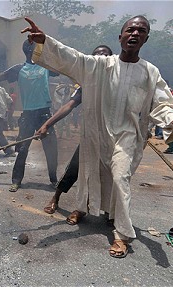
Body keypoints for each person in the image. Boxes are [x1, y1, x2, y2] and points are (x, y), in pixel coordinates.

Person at [23, 16, 173, 258]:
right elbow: (74, 58)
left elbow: (161, 103)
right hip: (98, 133)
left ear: (146, 38)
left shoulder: (150, 72)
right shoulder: (101, 65)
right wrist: (46, 41)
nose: (135, 33)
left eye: (141, 30)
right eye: (130, 29)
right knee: (86, 173)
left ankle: (122, 235)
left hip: (127, 136)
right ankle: (83, 209)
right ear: (121, 36)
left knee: (120, 179)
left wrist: (172, 120)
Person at [0, 39, 59, 193]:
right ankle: (16, 181)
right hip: (28, 115)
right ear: (29, 51)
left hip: (45, 114)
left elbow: (62, 68)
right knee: (22, 149)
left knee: (51, 148)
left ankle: (54, 180)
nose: (38, 50)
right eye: (36, 48)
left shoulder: (45, 67)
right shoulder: (18, 69)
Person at [36, 45, 114, 214]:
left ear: (111, 60)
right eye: (97, 55)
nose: (100, 58)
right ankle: (55, 198)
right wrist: (47, 124)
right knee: (74, 168)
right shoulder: (87, 84)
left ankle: (109, 212)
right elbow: (69, 105)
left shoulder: (117, 83)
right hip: (91, 135)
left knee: (111, 174)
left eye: (105, 55)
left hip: (113, 137)